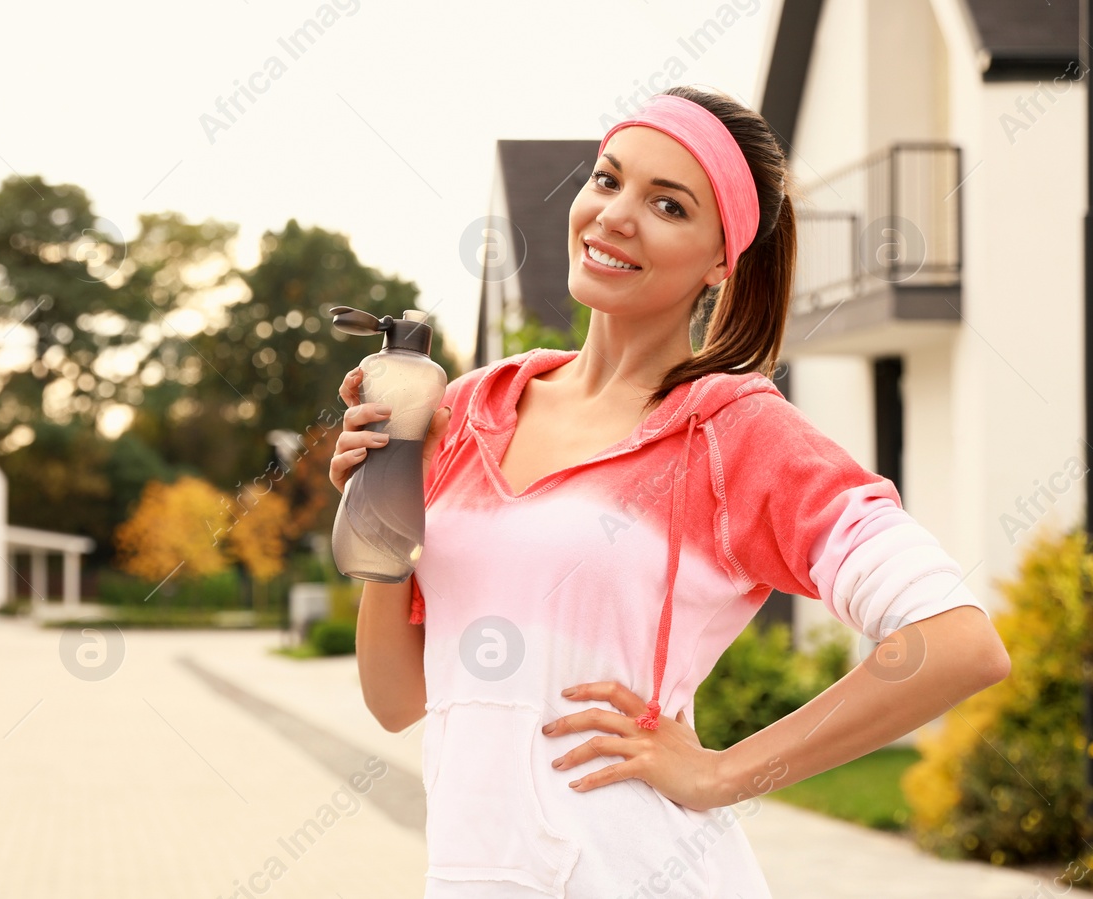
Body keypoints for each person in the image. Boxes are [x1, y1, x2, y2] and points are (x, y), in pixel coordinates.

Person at [327, 85, 1011, 898]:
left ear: (723, 257)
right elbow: (399, 698)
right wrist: (382, 510)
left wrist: (722, 773)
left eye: (669, 205)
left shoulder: (731, 432)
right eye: (609, 179)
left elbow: (959, 643)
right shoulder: (466, 410)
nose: (616, 215)